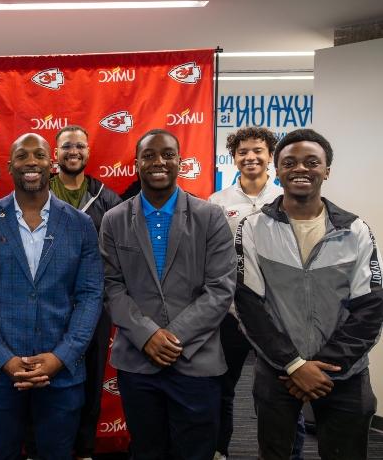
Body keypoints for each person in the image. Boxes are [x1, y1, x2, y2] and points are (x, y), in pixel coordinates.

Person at [235, 128, 383, 460]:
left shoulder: (355, 230)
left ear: (326, 170)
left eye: (312, 162)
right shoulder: (254, 228)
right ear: (278, 169)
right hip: (278, 369)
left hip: (344, 373)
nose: (301, 168)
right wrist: (294, 364)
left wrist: (322, 366)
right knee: (274, 453)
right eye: (290, 162)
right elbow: (249, 306)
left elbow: (371, 307)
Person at [0, 133, 103, 460]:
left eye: (38, 155)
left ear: (50, 163)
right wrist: (3, 358)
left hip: (62, 373)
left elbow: (90, 295)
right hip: (1, 374)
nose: (30, 162)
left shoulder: (80, 225)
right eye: (22, 155)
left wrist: (61, 356)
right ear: (9, 165)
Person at [99, 129, 236, 460]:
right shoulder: (114, 219)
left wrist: (172, 338)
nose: (158, 162)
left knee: (195, 452)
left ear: (179, 162)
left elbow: (221, 288)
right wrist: (147, 336)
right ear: (136, 164)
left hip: (196, 362)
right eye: (149, 156)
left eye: (167, 155)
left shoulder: (210, 216)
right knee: (147, 451)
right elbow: (110, 286)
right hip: (138, 362)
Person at [208, 127, 285, 459]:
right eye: (243, 152)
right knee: (221, 389)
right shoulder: (217, 203)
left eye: (258, 150)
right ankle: (218, 451)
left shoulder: (286, 199)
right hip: (231, 313)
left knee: (280, 392)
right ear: (234, 157)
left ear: (271, 155)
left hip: (277, 315)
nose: (250, 157)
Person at [49, 125, 121, 460]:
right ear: (56, 153)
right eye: (66, 146)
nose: (73, 151)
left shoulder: (107, 198)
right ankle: (47, 448)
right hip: (47, 303)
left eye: (79, 146)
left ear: (88, 153)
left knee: (92, 380)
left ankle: (85, 449)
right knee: (48, 376)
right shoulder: (37, 192)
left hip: (94, 303)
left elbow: (120, 252)